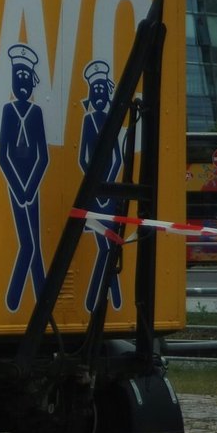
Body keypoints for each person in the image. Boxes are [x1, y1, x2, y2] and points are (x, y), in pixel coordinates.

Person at [0, 43, 48, 312]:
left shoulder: (36, 113)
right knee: (29, 243)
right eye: (19, 77)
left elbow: (44, 156)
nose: (23, 82)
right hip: (16, 184)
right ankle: (20, 298)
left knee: (34, 242)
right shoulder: (8, 111)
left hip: (32, 184)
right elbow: (2, 155)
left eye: (27, 77)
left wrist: (31, 187)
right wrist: (18, 189)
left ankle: (36, 300)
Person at [78, 59, 124, 311]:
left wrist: (107, 186)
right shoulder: (88, 121)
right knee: (107, 246)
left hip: (107, 193)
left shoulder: (110, 120)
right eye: (93, 89)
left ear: (107, 93)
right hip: (96, 195)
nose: (97, 94)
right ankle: (107, 300)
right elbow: (83, 158)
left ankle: (99, 301)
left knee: (108, 246)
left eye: (101, 90)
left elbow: (117, 157)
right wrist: (95, 186)